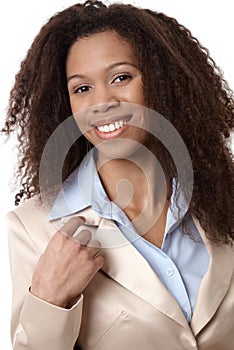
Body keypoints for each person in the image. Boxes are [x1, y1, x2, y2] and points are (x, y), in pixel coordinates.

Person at [2, 1, 234, 349]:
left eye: (121, 77)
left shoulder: (223, 199)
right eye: (82, 89)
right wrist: (48, 299)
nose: (102, 101)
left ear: (162, 81)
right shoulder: (32, 228)